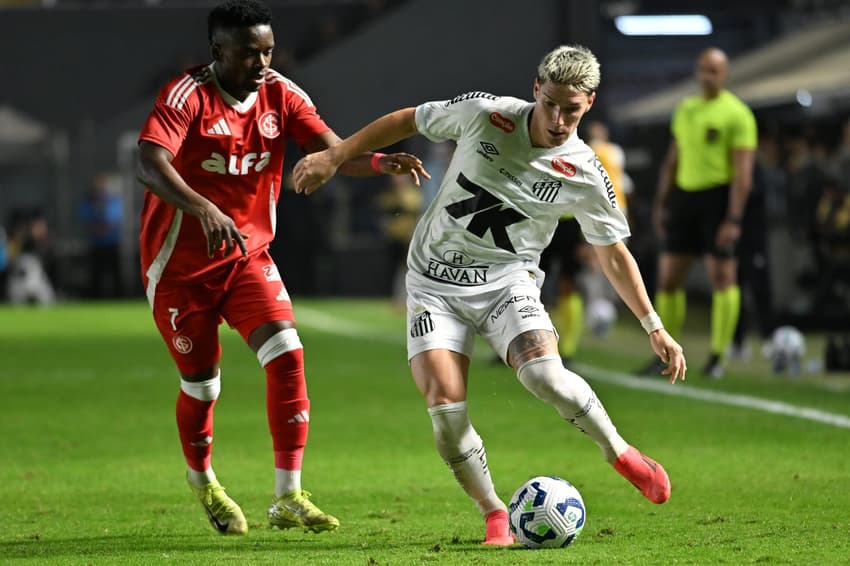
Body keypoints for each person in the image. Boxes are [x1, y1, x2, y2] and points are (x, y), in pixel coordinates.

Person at [292, 44, 687, 546]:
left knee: (548, 377)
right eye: (552, 105)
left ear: (590, 103)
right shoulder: (487, 115)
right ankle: (494, 511)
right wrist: (336, 153)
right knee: (446, 413)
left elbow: (613, 254)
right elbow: (406, 118)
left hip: (508, 283)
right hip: (433, 285)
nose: (560, 119)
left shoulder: (586, 172)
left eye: (573, 109)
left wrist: (654, 326)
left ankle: (620, 452)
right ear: (535, 90)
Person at [136, 0, 426, 536]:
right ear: (218, 52)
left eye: (268, 51)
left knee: (288, 353)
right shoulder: (187, 96)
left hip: (246, 257)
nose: (262, 63)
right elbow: (148, 161)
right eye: (249, 54)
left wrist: (382, 162)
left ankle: (287, 495)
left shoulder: (282, 94)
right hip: (179, 268)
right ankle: (202, 481)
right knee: (202, 388)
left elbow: (333, 154)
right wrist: (202, 207)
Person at [645, 47, 757, 379]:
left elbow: (743, 173)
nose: (706, 76)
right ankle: (665, 355)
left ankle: (717, 356)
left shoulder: (737, 114)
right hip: (684, 198)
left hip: (717, 200)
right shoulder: (686, 109)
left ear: (724, 74)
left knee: (722, 278)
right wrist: (662, 201)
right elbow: (673, 158)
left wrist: (733, 218)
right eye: (702, 69)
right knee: (667, 280)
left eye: (713, 70)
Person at [79, 173, 124, 299]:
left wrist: (102, 227)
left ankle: (118, 298)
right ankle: (95, 298)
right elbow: (87, 222)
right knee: (96, 274)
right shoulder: (89, 203)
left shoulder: (113, 201)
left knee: (115, 274)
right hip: (96, 244)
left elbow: (114, 222)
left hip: (112, 243)